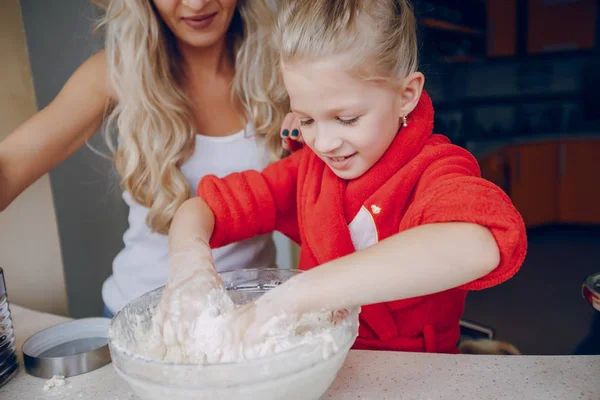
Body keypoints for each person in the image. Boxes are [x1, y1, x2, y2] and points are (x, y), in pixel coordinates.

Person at [160, 0, 528, 354]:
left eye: (347, 118)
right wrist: (188, 265)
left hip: (419, 375)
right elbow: (202, 208)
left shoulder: (436, 170)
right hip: (322, 366)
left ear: (406, 95)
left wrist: (298, 295)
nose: (323, 142)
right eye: (306, 119)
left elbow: (477, 245)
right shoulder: (307, 173)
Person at [0, 0, 301, 317]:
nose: (196, 4)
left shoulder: (284, 62)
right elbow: (8, 168)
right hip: (143, 317)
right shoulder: (115, 72)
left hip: (250, 317)